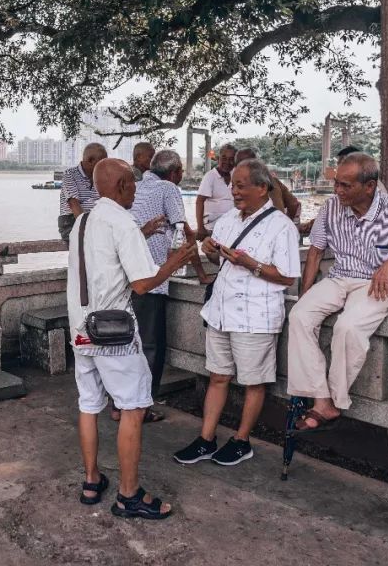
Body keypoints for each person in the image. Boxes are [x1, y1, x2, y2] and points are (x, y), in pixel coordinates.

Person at [69, 158, 196, 519]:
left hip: (82, 329)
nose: (138, 189)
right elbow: (142, 284)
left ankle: (92, 481)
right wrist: (175, 260)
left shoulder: (84, 221)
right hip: (115, 334)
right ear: (123, 184)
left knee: (89, 405)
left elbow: (103, 262)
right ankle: (129, 495)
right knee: (134, 408)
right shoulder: (122, 222)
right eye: (134, 184)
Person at [287, 154, 388, 431]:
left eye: (346, 186)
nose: (338, 191)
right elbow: (315, 251)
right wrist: (306, 293)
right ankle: (320, 398)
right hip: (339, 277)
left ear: (369, 186)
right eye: (336, 184)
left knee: (347, 328)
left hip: (376, 283)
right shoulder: (331, 207)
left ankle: (335, 400)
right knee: (299, 315)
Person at [173, 159, 300, 467]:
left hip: (255, 314)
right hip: (220, 310)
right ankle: (206, 438)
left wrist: (249, 263)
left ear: (262, 188)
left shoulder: (281, 225)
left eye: (241, 186)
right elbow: (222, 261)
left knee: (253, 382)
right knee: (218, 376)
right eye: (232, 185)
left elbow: (287, 276)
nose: (234, 191)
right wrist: (213, 253)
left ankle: (242, 440)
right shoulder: (229, 219)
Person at [126, 149, 212, 423]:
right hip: (152, 276)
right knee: (151, 346)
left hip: (127, 276)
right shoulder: (169, 189)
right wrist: (200, 272)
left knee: (129, 343)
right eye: (182, 174)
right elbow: (186, 232)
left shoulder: (136, 187)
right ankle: (142, 407)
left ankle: (122, 403)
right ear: (175, 173)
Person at [234, 147, 301, 222]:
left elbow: (294, 204)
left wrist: (286, 222)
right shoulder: (274, 181)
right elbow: (294, 204)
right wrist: (286, 221)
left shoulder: (240, 188)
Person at [59, 143, 107, 241]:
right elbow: (74, 205)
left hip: (94, 220)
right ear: (90, 160)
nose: (105, 166)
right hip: (71, 221)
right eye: (102, 162)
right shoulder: (70, 174)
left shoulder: (100, 176)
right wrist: (88, 229)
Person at [195, 142, 236, 239]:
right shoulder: (210, 176)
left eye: (231, 159)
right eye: (224, 158)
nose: (227, 162)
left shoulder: (236, 174)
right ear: (218, 159)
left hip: (233, 225)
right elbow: (199, 202)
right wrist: (200, 228)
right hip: (213, 226)